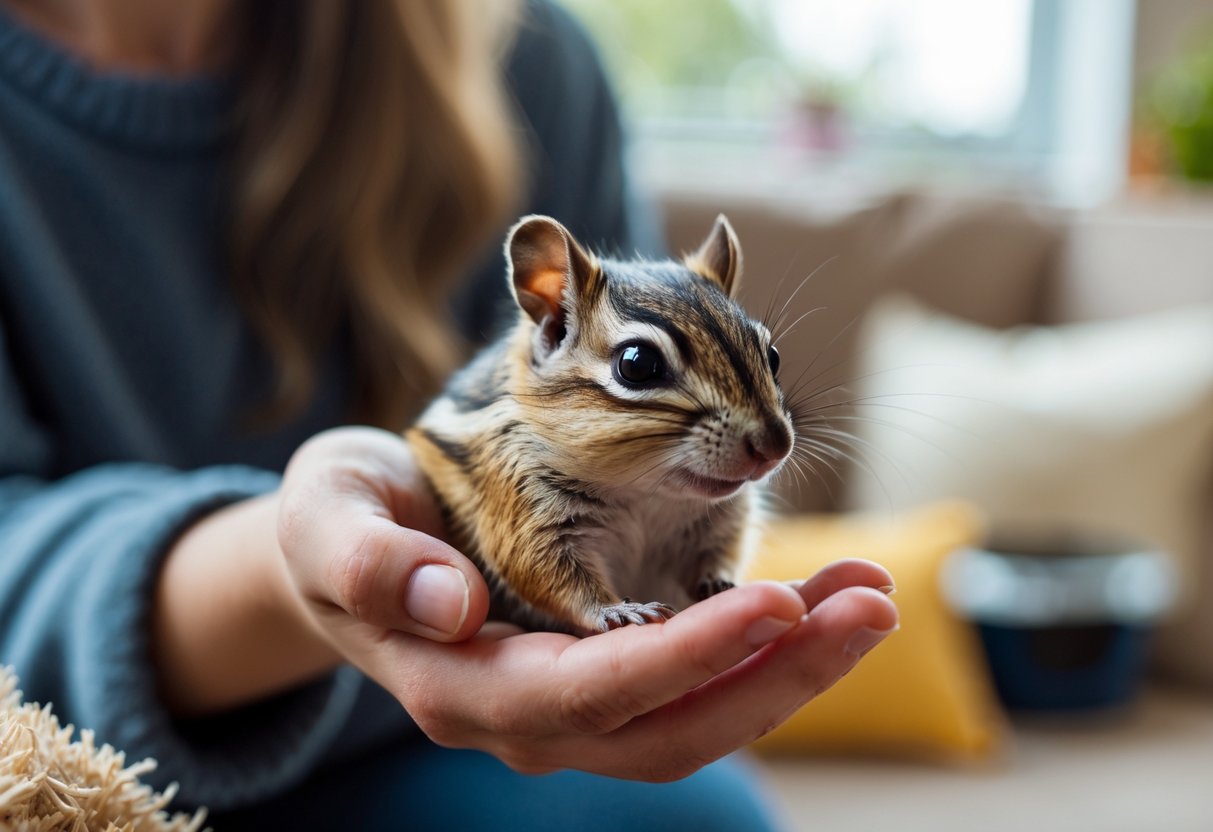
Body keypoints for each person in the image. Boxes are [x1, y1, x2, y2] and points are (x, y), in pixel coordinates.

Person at [0, 1, 899, 829]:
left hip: (443, 737)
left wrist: (701, 579)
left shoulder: (529, 56)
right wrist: (297, 574)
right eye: (637, 368)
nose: (768, 438)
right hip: (83, 742)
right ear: (547, 321)